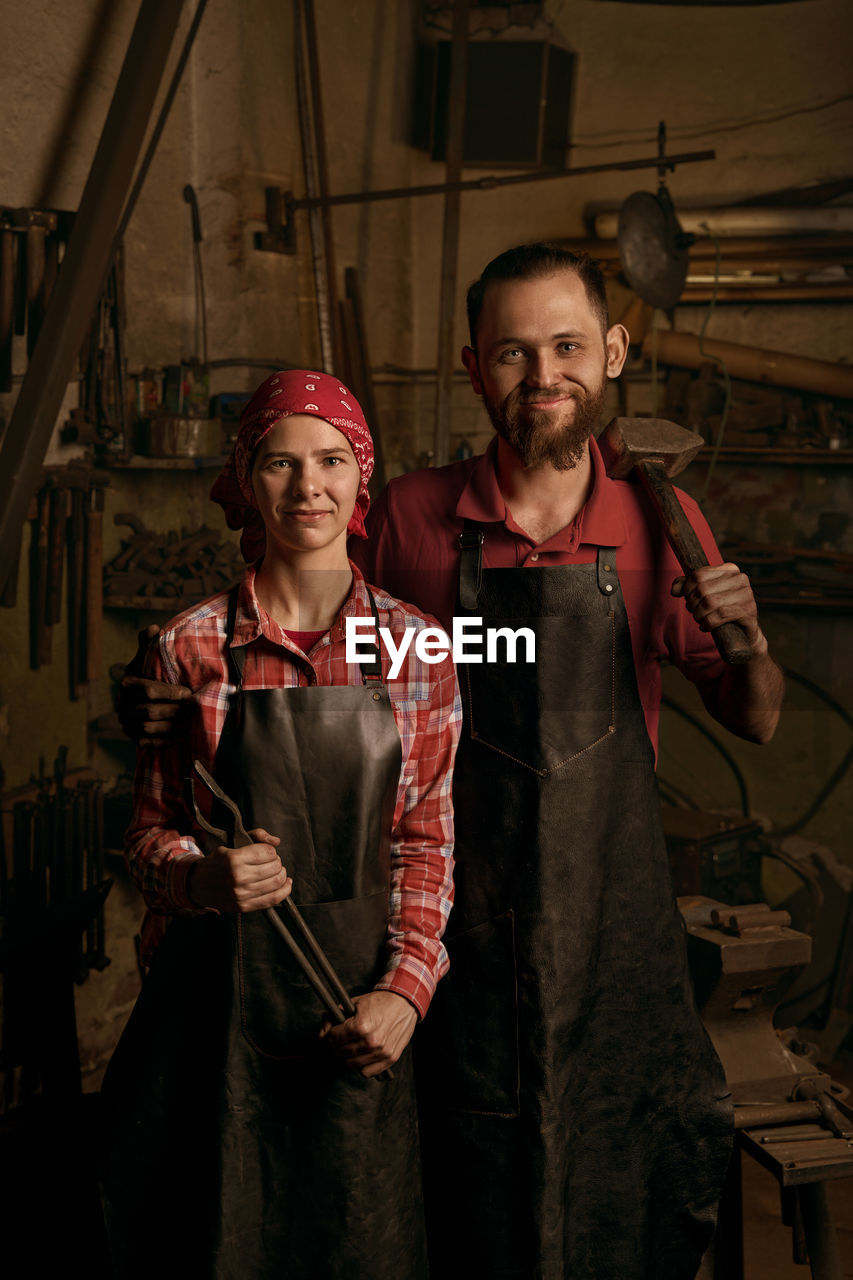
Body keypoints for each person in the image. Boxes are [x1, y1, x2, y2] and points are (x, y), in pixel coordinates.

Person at [119, 244, 784, 1279]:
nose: (543, 373)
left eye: (566, 345)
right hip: (440, 936)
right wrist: (162, 702)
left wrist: (744, 638)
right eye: (513, 352)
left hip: (604, 930)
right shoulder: (412, 521)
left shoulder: (663, 519)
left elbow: (755, 719)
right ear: (475, 367)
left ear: (611, 352)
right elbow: (309, 638)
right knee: (441, 1212)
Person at [99, 370, 461, 1280]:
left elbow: (427, 845)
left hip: (358, 1019)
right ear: (246, 479)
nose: (309, 488)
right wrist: (200, 878)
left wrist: (404, 993)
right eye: (280, 463)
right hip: (210, 1025)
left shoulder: (421, 651)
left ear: (361, 479)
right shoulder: (184, 647)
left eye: (332, 460)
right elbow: (146, 841)